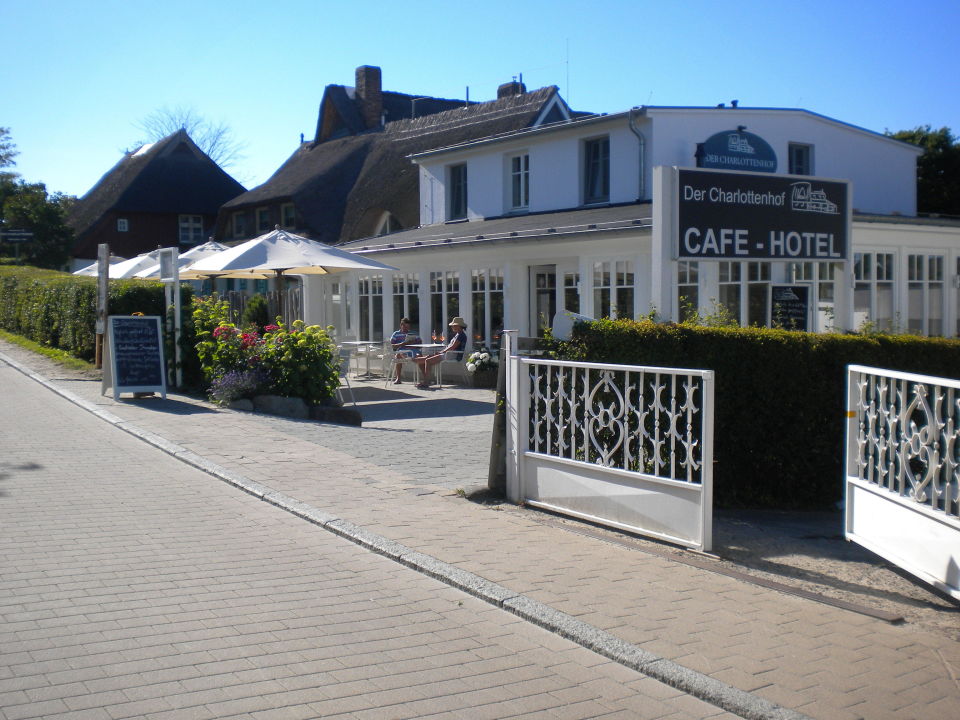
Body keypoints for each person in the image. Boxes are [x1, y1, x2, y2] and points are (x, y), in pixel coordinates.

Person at [415, 317, 467, 389]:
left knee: (428, 361)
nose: (452, 327)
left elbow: (452, 347)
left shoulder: (461, 335)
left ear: (459, 326)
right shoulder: (458, 334)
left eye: (454, 325)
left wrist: (441, 352)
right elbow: (450, 347)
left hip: (453, 354)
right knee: (427, 357)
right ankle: (424, 376)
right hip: (450, 353)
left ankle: (426, 382)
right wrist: (441, 352)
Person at [389, 318, 420, 384]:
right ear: (401, 325)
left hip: (413, 351)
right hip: (402, 351)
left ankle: (425, 379)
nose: (406, 329)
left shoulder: (412, 333)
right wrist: (403, 344)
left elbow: (420, 344)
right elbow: (392, 346)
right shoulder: (396, 334)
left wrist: (414, 342)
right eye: (405, 327)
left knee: (421, 356)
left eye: (408, 327)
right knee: (398, 355)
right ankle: (398, 378)